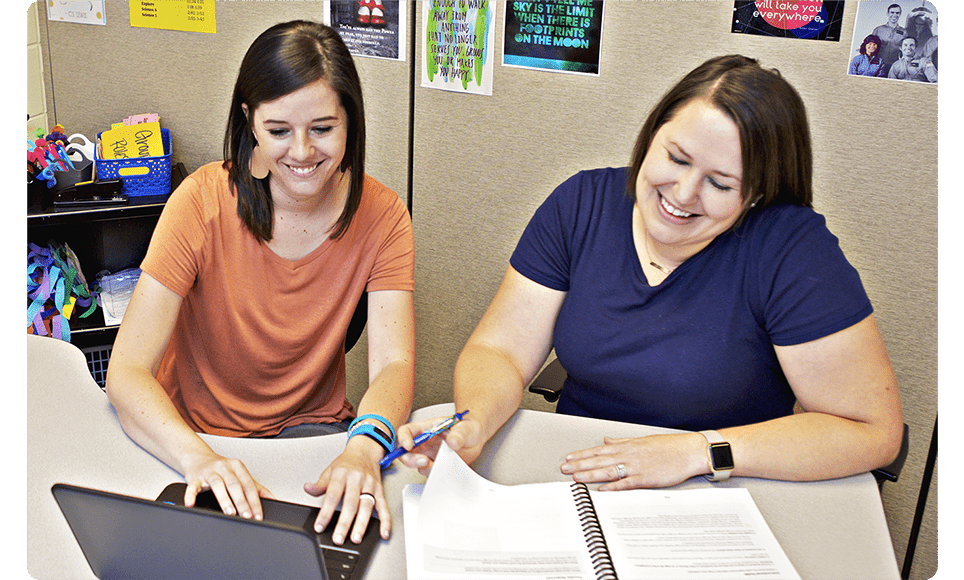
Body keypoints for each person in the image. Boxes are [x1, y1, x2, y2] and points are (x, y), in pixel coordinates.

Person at [397, 55, 903, 491]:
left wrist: (694, 454)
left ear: (756, 194)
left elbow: (871, 431)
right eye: (676, 158)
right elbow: (500, 350)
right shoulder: (581, 205)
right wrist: (475, 423)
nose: (683, 194)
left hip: (725, 486)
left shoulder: (790, 249)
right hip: (581, 474)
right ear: (650, 135)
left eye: (720, 184)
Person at [105, 21, 415, 546]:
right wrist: (198, 457)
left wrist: (363, 447)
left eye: (322, 129)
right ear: (249, 121)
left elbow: (394, 365)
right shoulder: (201, 202)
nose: (301, 153)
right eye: (278, 131)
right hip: (192, 437)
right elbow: (128, 371)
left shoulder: (383, 216)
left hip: (309, 438)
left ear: (351, 122)